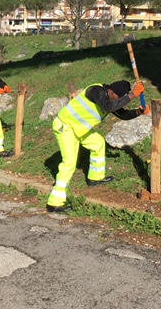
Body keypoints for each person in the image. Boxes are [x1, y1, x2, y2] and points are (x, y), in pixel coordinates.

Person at [46, 80, 148, 213]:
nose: (119, 100)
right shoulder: (95, 91)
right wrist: (133, 95)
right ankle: (55, 203)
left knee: (98, 143)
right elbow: (110, 107)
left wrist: (138, 112)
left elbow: (122, 114)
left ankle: (95, 178)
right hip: (65, 126)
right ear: (112, 91)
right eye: (119, 97)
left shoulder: (110, 100)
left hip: (80, 129)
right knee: (69, 163)